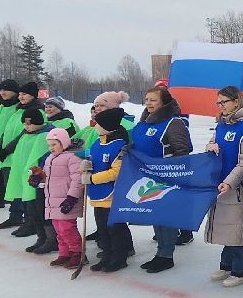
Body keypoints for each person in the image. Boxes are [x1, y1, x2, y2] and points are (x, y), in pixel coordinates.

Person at [131, 85, 193, 273]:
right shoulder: (144, 122)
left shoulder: (173, 123)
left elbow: (183, 151)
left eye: (153, 100)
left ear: (164, 102)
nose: (148, 103)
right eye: (147, 99)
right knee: (155, 215)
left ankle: (166, 256)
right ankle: (160, 253)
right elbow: (137, 144)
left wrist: (164, 168)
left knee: (165, 217)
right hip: (146, 177)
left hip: (166, 179)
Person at [207, 86, 243, 287]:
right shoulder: (221, 124)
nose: (220, 106)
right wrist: (210, 147)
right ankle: (227, 263)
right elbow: (212, 142)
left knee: (237, 227)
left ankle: (242, 268)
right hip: (220, 184)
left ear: (236, 101)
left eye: (224, 102)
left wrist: (230, 181)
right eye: (218, 102)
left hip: (237, 186)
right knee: (225, 225)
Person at [83, 106, 135, 272]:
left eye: (97, 123)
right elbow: (93, 158)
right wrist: (86, 165)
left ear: (107, 126)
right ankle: (106, 255)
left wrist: (92, 178)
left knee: (115, 230)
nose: (94, 126)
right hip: (98, 195)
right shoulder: (98, 142)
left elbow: (116, 172)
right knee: (103, 230)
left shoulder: (120, 145)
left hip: (112, 196)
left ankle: (119, 257)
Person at [11, 108, 56, 254]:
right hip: (29, 181)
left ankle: (51, 239)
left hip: (40, 181)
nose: (26, 126)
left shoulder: (44, 136)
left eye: (30, 124)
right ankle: (41, 238)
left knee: (42, 211)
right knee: (32, 211)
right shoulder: (26, 136)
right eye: (24, 123)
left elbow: (46, 157)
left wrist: (40, 173)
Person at [41, 127, 85, 269]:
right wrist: (38, 179)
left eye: (54, 144)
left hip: (66, 200)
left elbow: (77, 179)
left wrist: (71, 198)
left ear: (64, 142)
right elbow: (47, 178)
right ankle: (64, 253)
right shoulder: (50, 158)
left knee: (67, 229)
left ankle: (77, 253)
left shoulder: (73, 157)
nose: (51, 148)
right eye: (49, 145)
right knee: (59, 230)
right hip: (52, 201)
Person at [0, 79, 25, 222]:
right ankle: (14, 213)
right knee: (5, 182)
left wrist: (6, 148)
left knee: (15, 184)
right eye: (1, 89)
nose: (3, 92)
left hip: (13, 152)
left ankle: (19, 214)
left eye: (6, 89)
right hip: (1, 153)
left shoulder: (19, 109)